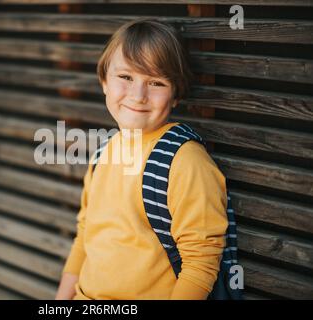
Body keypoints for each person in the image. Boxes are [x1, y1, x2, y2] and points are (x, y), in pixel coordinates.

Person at [55, 18, 228, 300]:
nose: (138, 95)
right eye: (125, 77)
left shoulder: (185, 162)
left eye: (156, 82)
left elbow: (200, 262)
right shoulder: (103, 153)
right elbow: (86, 236)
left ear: (175, 97)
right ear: (104, 82)